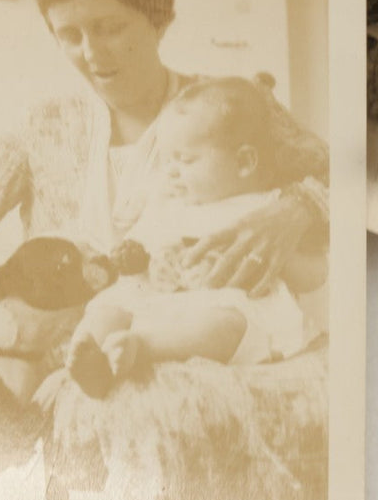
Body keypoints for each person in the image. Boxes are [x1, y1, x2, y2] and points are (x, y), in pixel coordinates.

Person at [0, 0, 330, 397]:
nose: (93, 54)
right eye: (70, 35)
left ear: (158, 22)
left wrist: (297, 210)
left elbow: (341, 180)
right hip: (49, 376)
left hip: (198, 367)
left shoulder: (227, 110)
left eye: (110, 27)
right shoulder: (46, 126)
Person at [65, 76, 328, 398]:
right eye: (167, 159)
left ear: (244, 162)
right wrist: (143, 260)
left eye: (186, 160)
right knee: (109, 307)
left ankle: (140, 347)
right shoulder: (167, 203)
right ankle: (85, 353)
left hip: (227, 303)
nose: (171, 171)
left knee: (221, 327)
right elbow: (139, 250)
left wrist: (284, 260)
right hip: (156, 298)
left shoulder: (267, 206)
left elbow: (315, 275)